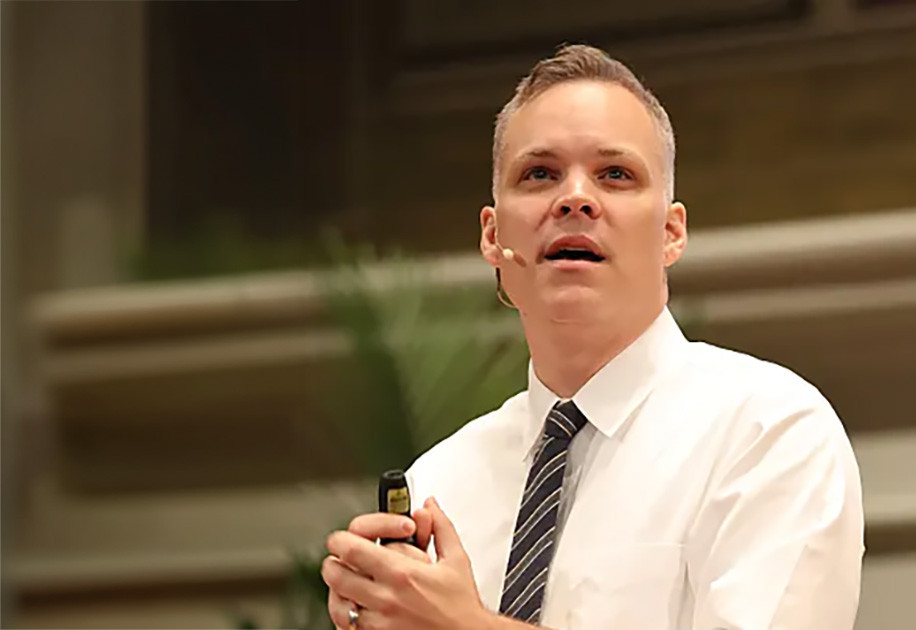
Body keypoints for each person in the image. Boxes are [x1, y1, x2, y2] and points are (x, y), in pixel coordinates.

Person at [321, 43, 865, 630]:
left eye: (615, 174)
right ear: (492, 235)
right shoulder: (439, 484)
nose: (575, 198)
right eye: (539, 174)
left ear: (671, 233)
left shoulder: (768, 432)